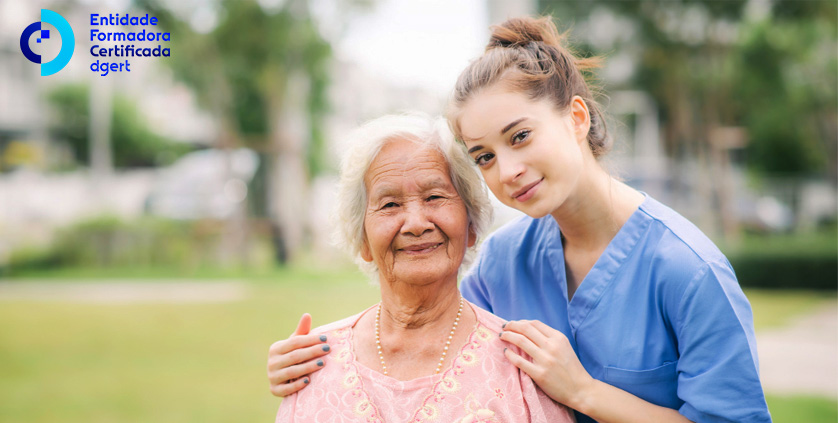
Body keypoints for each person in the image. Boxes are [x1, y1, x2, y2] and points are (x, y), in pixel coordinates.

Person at [268, 16, 771, 423]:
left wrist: (586, 393)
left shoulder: (688, 270)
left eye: (520, 137)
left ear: (577, 118)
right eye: (483, 156)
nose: (507, 170)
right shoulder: (506, 261)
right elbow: (437, 335)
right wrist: (321, 359)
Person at [271, 114, 575, 422]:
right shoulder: (311, 363)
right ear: (362, 238)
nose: (416, 224)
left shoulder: (524, 367)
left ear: (470, 226)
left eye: (434, 197)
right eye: (390, 204)